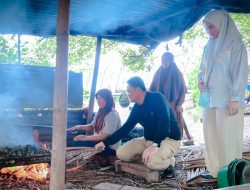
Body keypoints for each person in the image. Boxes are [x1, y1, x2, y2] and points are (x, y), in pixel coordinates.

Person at [197, 10, 248, 178]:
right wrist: (200, 80)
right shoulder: (208, 45)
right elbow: (202, 68)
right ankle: (215, 172)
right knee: (210, 137)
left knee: (228, 139)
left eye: (211, 27)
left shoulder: (235, 44)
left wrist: (235, 98)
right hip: (209, 100)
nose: (209, 31)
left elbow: (240, 73)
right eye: (206, 28)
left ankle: (231, 174)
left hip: (228, 102)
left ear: (222, 24)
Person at [95, 76, 181, 173]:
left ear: (138, 90)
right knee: (121, 153)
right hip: (148, 141)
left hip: (168, 140)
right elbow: (126, 128)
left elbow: (164, 125)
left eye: (129, 91)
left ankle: (170, 162)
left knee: (152, 163)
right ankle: (147, 156)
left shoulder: (158, 98)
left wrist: (155, 145)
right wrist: (104, 143)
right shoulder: (137, 107)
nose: (128, 94)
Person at [68, 88, 121, 158]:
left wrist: (84, 137)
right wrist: (78, 127)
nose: (99, 101)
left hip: (109, 147)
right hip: (99, 142)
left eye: (102, 98)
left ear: (108, 99)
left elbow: (104, 136)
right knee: (76, 140)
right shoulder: (100, 112)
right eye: (98, 99)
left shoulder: (112, 114)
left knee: (78, 142)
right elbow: (92, 127)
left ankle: (98, 159)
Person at [149, 52, 187, 138]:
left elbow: (183, 91)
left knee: (173, 130)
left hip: (173, 105)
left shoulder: (177, 73)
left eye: (166, 60)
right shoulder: (158, 73)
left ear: (171, 61)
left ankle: (173, 145)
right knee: (160, 129)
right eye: (162, 60)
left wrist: (179, 104)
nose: (164, 62)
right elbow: (151, 89)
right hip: (160, 104)